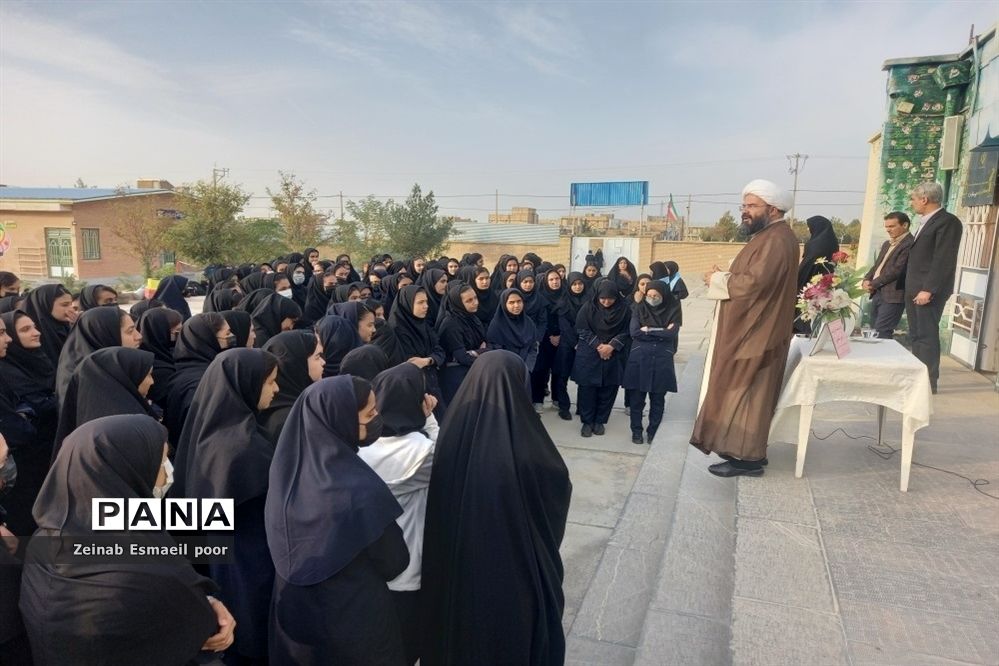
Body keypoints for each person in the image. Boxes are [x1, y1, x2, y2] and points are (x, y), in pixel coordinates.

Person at [19, 415, 236, 666]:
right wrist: (208, 604)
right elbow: (205, 630)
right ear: (127, 471)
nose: (168, 468)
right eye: (161, 460)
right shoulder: (154, 575)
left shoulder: (43, 541)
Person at [421, 351, 571, 666]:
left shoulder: (452, 431)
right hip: (514, 576)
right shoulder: (526, 443)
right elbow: (556, 484)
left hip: (458, 569)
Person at [266, 376, 409, 665]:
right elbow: (394, 562)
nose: (377, 419)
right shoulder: (359, 490)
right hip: (358, 628)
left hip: (295, 631)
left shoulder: (284, 478)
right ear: (338, 420)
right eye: (369, 415)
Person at [172, 348, 280, 666]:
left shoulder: (209, 430)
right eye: (271, 381)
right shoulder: (243, 448)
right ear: (245, 384)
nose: (276, 389)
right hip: (250, 562)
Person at [692, 179, 799, 477]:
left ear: (773, 209)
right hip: (757, 330)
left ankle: (747, 459)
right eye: (744, 206)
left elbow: (755, 283)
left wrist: (717, 280)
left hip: (757, 334)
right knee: (748, 393)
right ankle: (747, 451)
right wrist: (725, 276)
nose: (745, 211)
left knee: (749, 393)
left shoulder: (777, 239)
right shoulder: (771, 236)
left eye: (752, 206)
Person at [358, 364, 439, 666]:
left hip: (366, 564)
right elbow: (448, 459)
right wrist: (429, 419)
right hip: (407, 566)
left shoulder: (358, 446)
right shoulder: (421, 454)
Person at [904, 182, 964, 393]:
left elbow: (942, 259)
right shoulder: (925, 222)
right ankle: (918, 377)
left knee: (926, 335)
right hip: (914, 288)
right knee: (916, 335)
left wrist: (928, 289)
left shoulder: (947, 222)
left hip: (927, 291)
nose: (911, 203)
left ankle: (929, 382)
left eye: (913, 199)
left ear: (924, 199)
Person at [53, 347, 157, 459]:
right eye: (148, 375)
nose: (152, 382)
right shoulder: (124, 429)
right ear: (125, 378)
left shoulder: (89, 419)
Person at [623, 283, 680, 444]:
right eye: (649, 295)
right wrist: (661, 331)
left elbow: (672, 333)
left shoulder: (673, 309)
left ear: (664, 296)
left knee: (658, 400)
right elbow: (634, 332)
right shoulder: (639, 308)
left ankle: (653, 431)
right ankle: (636, 431)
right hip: (640, 358)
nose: (652, 299)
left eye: (656, 296)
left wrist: (648, 330)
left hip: (662, 360)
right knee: (636, 400)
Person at [572, 280, 630, 437]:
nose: (606, 301)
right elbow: (582, 329)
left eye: (610, 298)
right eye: (603, 298)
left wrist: (611, 346)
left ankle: (600, 421)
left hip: (614, 354)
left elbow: (627, 331)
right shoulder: (588, 307)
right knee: (587, 389)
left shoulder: (624, 310)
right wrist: (599, 346)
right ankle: (587, 421)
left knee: (609, 389)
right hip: (590, 354)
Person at [163, 313, 232, 445]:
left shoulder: (182, 374)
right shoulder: (201, 383)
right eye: (227, 334)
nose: (232, 338)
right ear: (209, 340)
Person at [55, 306, 142, 405]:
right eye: (130, 331)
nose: (139, 336)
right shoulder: (88, 381)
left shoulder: (111, 366)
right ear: (104, 335)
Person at [259, 330, 325, 445]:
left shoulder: (294, 405)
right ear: (297, 365)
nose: (323, 362)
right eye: (317, 357)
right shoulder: (289, 421)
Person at [388, 285, 445, 412]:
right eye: (420, 302)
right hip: (414, 389)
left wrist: (428, 360)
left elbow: (440, 351)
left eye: (426, 302)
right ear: (407, 304)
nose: (426, 306)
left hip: (432, 382)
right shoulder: (396, 332)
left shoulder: (423, 325)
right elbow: (408, 363)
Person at [863, 211, 914, 339]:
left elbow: (897, 270)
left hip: (893, 295)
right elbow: (877, 265)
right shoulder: (888, 244)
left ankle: (882, 358)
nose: (888, 230)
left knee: (882, 332)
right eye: (886, 226)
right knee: (874, 330)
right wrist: (866, 279)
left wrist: (873, 284)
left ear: (905, 225)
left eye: (892, 226)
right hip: (878, 293)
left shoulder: (910, 244)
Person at [437, 282, 487, 404]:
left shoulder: (472, 318)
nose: (475, 302)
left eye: (475, 298)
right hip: (455, 377)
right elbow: (461, 357)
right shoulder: (451, 324)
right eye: (469, 300)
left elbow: (486, 342)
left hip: (471, 371)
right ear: (458, 303)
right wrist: (482, 353)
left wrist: (477, 352)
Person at [794, 216, 840, 334]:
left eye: (810, 228)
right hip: (828, 284)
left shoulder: (815, 244)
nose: (809, 230)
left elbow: (806, 266)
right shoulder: (833, 242)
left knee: (807, 314)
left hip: (811, 285)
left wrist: (796, 280)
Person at [138, 306, 183, 410]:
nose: (180, 335)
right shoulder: (157, 369)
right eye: (177, 331)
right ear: (162, 332)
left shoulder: (164, 352)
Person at [22, 284, 74, 366]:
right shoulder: (31, 332)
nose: (71, 309)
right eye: (65, 305)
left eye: (71, 304)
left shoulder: (67, 327)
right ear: (45, 305)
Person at [486, 288, 538, 371]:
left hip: (525, 370)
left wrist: (527, 368)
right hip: (506, 371)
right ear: (504, 304)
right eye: (511, 302)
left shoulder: (528, 322)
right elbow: (497, 352)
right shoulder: (497, 325)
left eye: (519, 301)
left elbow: (533, 347)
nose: (516, 305)